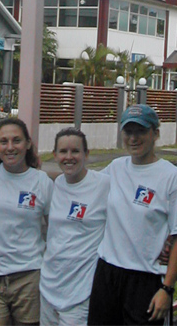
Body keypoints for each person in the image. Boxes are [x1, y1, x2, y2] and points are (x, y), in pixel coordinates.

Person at [87, 104, 177, 326]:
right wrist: (33, 170)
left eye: (141, 131)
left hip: (146, 279)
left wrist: (167, 288)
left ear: (155, 133)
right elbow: (80, 182)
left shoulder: (171, 177)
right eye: (128, 132)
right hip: (108, 274)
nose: (133, 138)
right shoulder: (116, 168)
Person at [0, 117, 53, 326]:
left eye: (16, 140)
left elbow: (55, 229)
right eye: (3, 141)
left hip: (29, 277)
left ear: (27, 144)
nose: (10, 147)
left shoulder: (41, 181)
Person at [39, 127, 110, 326]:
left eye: (75, 151)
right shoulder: (56, 183)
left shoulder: (104, 184)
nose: (69, 157)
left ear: (86, 154)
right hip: (49, 286)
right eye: (63, 152)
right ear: (54, 155)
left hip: (81, 292)